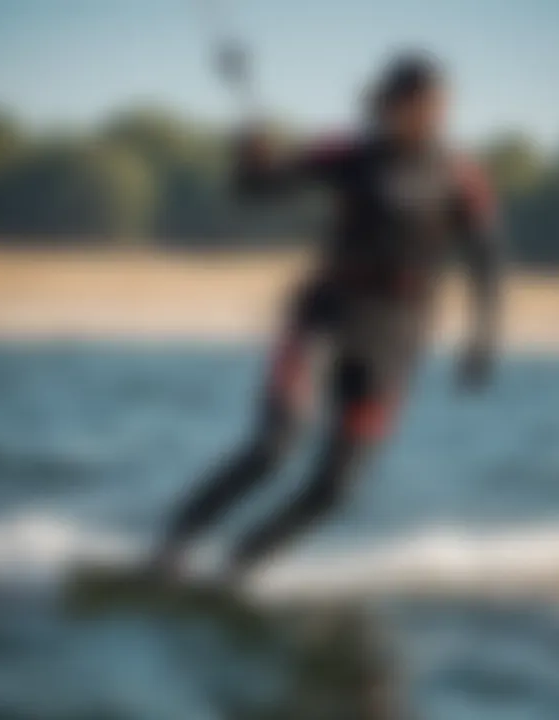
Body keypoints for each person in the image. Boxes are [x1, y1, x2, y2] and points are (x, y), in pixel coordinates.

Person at [153, 51, 503, 582]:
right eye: (426, 101)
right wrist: (250, 154)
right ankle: (172, 546)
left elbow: (487, 257)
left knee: (337, 487)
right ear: (393, 102)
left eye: (442, 103)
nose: (437, 111)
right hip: (325, 320)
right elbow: (257, 188)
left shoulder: (459, 174)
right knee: (275, 448)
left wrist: (484, 336)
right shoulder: (349, 153)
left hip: (394, 340)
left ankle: (240, 568)